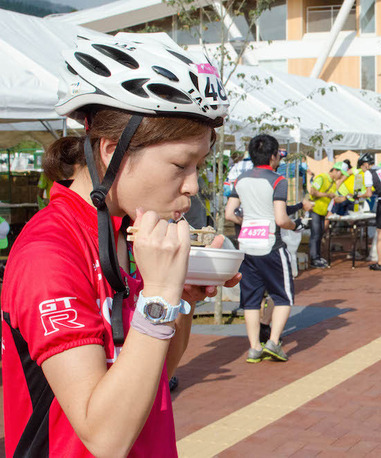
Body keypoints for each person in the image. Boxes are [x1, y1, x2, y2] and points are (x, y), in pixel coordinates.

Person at [1, 32, 241, 456]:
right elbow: (106, 436)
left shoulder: (121, 232)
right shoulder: (49, 253)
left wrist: (179, 300)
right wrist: (160, 296)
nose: (193, 186)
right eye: (180, 165)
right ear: (113, 151)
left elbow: (155, 377)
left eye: (199, 166)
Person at [225, 134, 304, 363]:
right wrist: (296, 225)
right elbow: (281, 219)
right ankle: (273, 343)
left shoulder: (241, 179)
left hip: (247, 246)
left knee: (251, 300)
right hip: (271, 245)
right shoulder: (278, 180)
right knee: (283, 297)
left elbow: (230, 213)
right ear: (272, 156)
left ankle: (254, 348)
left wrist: (249, 222)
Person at [306, 161, 348, 268]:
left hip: (322, 212)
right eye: (341, 174)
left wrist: (346, 197)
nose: (341, 176)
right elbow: (313, 191)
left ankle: (318, 256)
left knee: (319, 234)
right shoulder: (321, 178)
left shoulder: (334, 184)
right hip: (314, 210)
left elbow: (335, 199)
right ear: (335, 170)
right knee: (315, 234)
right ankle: (313, 259)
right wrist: (327, 194)